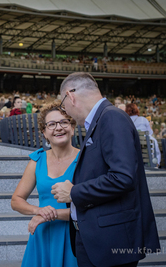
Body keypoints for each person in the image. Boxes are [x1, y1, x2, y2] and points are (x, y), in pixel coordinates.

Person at [51, 72, 160, 267]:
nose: (65, 110)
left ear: (71, 96)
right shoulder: (102, 119)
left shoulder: (111, 117)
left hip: (111, 240)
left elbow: (122, 177)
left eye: (62, 104)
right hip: (101, 238)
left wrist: (74, 192)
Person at [11, 100, 79, 267]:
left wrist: (51, 214)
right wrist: (39, 210)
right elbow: (16, 200)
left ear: (73, 128)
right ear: (44, 132)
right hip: (42, 236)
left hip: (73, 236)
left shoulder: (85, 159)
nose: (58, 127)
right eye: (52, 124)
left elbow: (90, 209)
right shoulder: (37, 160)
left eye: (64, 122)